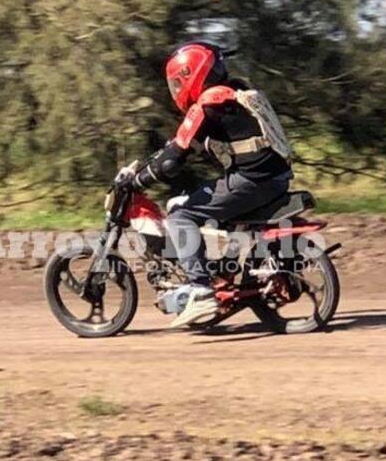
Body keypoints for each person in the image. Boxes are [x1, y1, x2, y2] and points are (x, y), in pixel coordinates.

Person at [118, 41, 294, 328]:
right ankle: (220, 275)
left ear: (193, 73)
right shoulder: (234, 94)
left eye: (178, 82)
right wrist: (159, 160)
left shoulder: (209, 104)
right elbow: (177, 146)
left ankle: (201, 290)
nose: (176, 89)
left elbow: (172, 160)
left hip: (252, 181)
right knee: (186, 202)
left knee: (180, 215)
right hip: (272, 177)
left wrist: (139, 180)